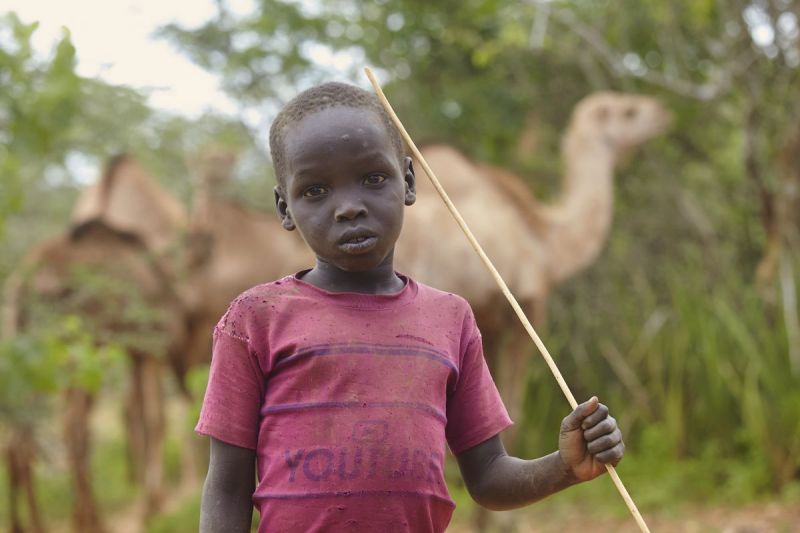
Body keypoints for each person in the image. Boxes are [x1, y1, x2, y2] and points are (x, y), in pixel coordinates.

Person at [196, 82, 625, 532]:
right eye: (317, 190)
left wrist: (564, 466)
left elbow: (488, 475)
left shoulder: (450, 319)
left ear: (409, 182)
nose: (348, 208)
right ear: (285, 207)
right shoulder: (255, 318)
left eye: (373, 179)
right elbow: (227, 485)